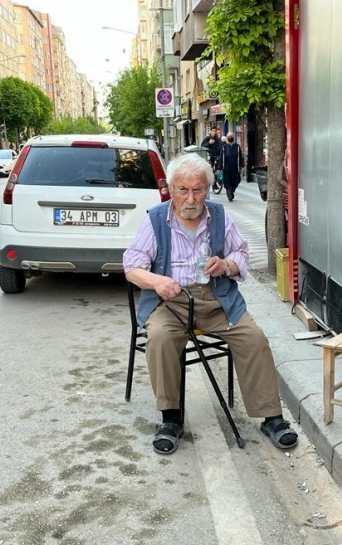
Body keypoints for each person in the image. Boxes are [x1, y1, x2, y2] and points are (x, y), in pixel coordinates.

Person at [123, 152, 298, 455]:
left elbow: (241, 253)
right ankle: (170, 419)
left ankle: (272, 418)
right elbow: (132, 266)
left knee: (253, 338)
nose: (190, 199)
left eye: (198, 190)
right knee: (161, 338)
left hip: (217, 298)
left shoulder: (219, 216)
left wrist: (227, 265)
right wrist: (158, 282)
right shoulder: (155, 220)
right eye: (183, 190)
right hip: (171, 303)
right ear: (171, 189)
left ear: (207, 188)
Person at [219, 133, 244, 202]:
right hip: (226, 168)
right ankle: (229, 195)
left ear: (233, 137)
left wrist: (242, 165)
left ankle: (232, 190)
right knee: (227, 182)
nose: (230, 137)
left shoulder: (237, 147)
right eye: (229, 136)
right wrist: (219, 167)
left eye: (231, 136)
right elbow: (221, 158)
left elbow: (241, 156)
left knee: (237, 180)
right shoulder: (224, 147)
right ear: (227, 138)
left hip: (235, 168)